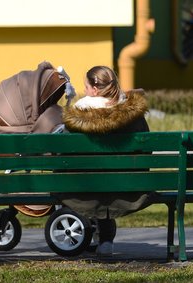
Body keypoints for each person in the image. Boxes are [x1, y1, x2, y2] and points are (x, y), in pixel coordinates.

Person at [60, 66, 151, 256]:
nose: (85, 91)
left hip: (82, 189)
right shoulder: (134, 116)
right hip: (129, 189)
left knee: (75, 178)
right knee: (105, 186)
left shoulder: (78, 115)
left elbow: (64, 155)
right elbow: (146, 152)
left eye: (86, 87)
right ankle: (106, 240)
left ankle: (88, 234)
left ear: (94, 88)